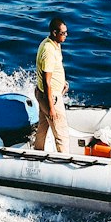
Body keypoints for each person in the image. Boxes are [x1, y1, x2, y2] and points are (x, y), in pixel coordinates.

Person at [34, 15, 70, 153]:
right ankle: (64, 162)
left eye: (66, 32)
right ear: (54, 33)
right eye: (63, 33)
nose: (66, 35)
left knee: (43, 127)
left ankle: (37, 152)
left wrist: (62, 83)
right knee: (61, 134)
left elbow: (55, 70)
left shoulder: (53, 43)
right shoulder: (48, 51)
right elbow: (46, 81)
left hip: (45, 93)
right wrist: (51, 107)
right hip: (50, 97)